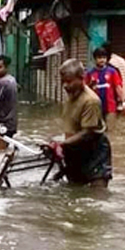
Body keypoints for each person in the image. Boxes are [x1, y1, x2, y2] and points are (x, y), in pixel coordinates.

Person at [46, 59, 113, 188]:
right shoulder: (70, 98)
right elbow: (70, 128)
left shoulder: (90, 101)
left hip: (94, 152)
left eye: (69, 81)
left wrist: (62, 144)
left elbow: (87, 133)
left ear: (81, 78)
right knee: (75, 193)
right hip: (75, 150)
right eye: (63, 82)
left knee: (96, 196)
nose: (65, 85)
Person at [85, 47, 125, 132]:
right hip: (95, 107)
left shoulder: (112, 72)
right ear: (95, 59)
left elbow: (118, 87)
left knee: (110, 131)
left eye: (104, 58)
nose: (102, 60)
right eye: (99, 58)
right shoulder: (90, 73)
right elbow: (85, 89)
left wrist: (123, 102)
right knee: (95, 131)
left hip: (110, 107)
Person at [0, 55, 18, 151]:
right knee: (5, 149)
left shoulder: (2, 83)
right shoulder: (12, 80)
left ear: (6, 67)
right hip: (12, 122)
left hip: (3, 122)